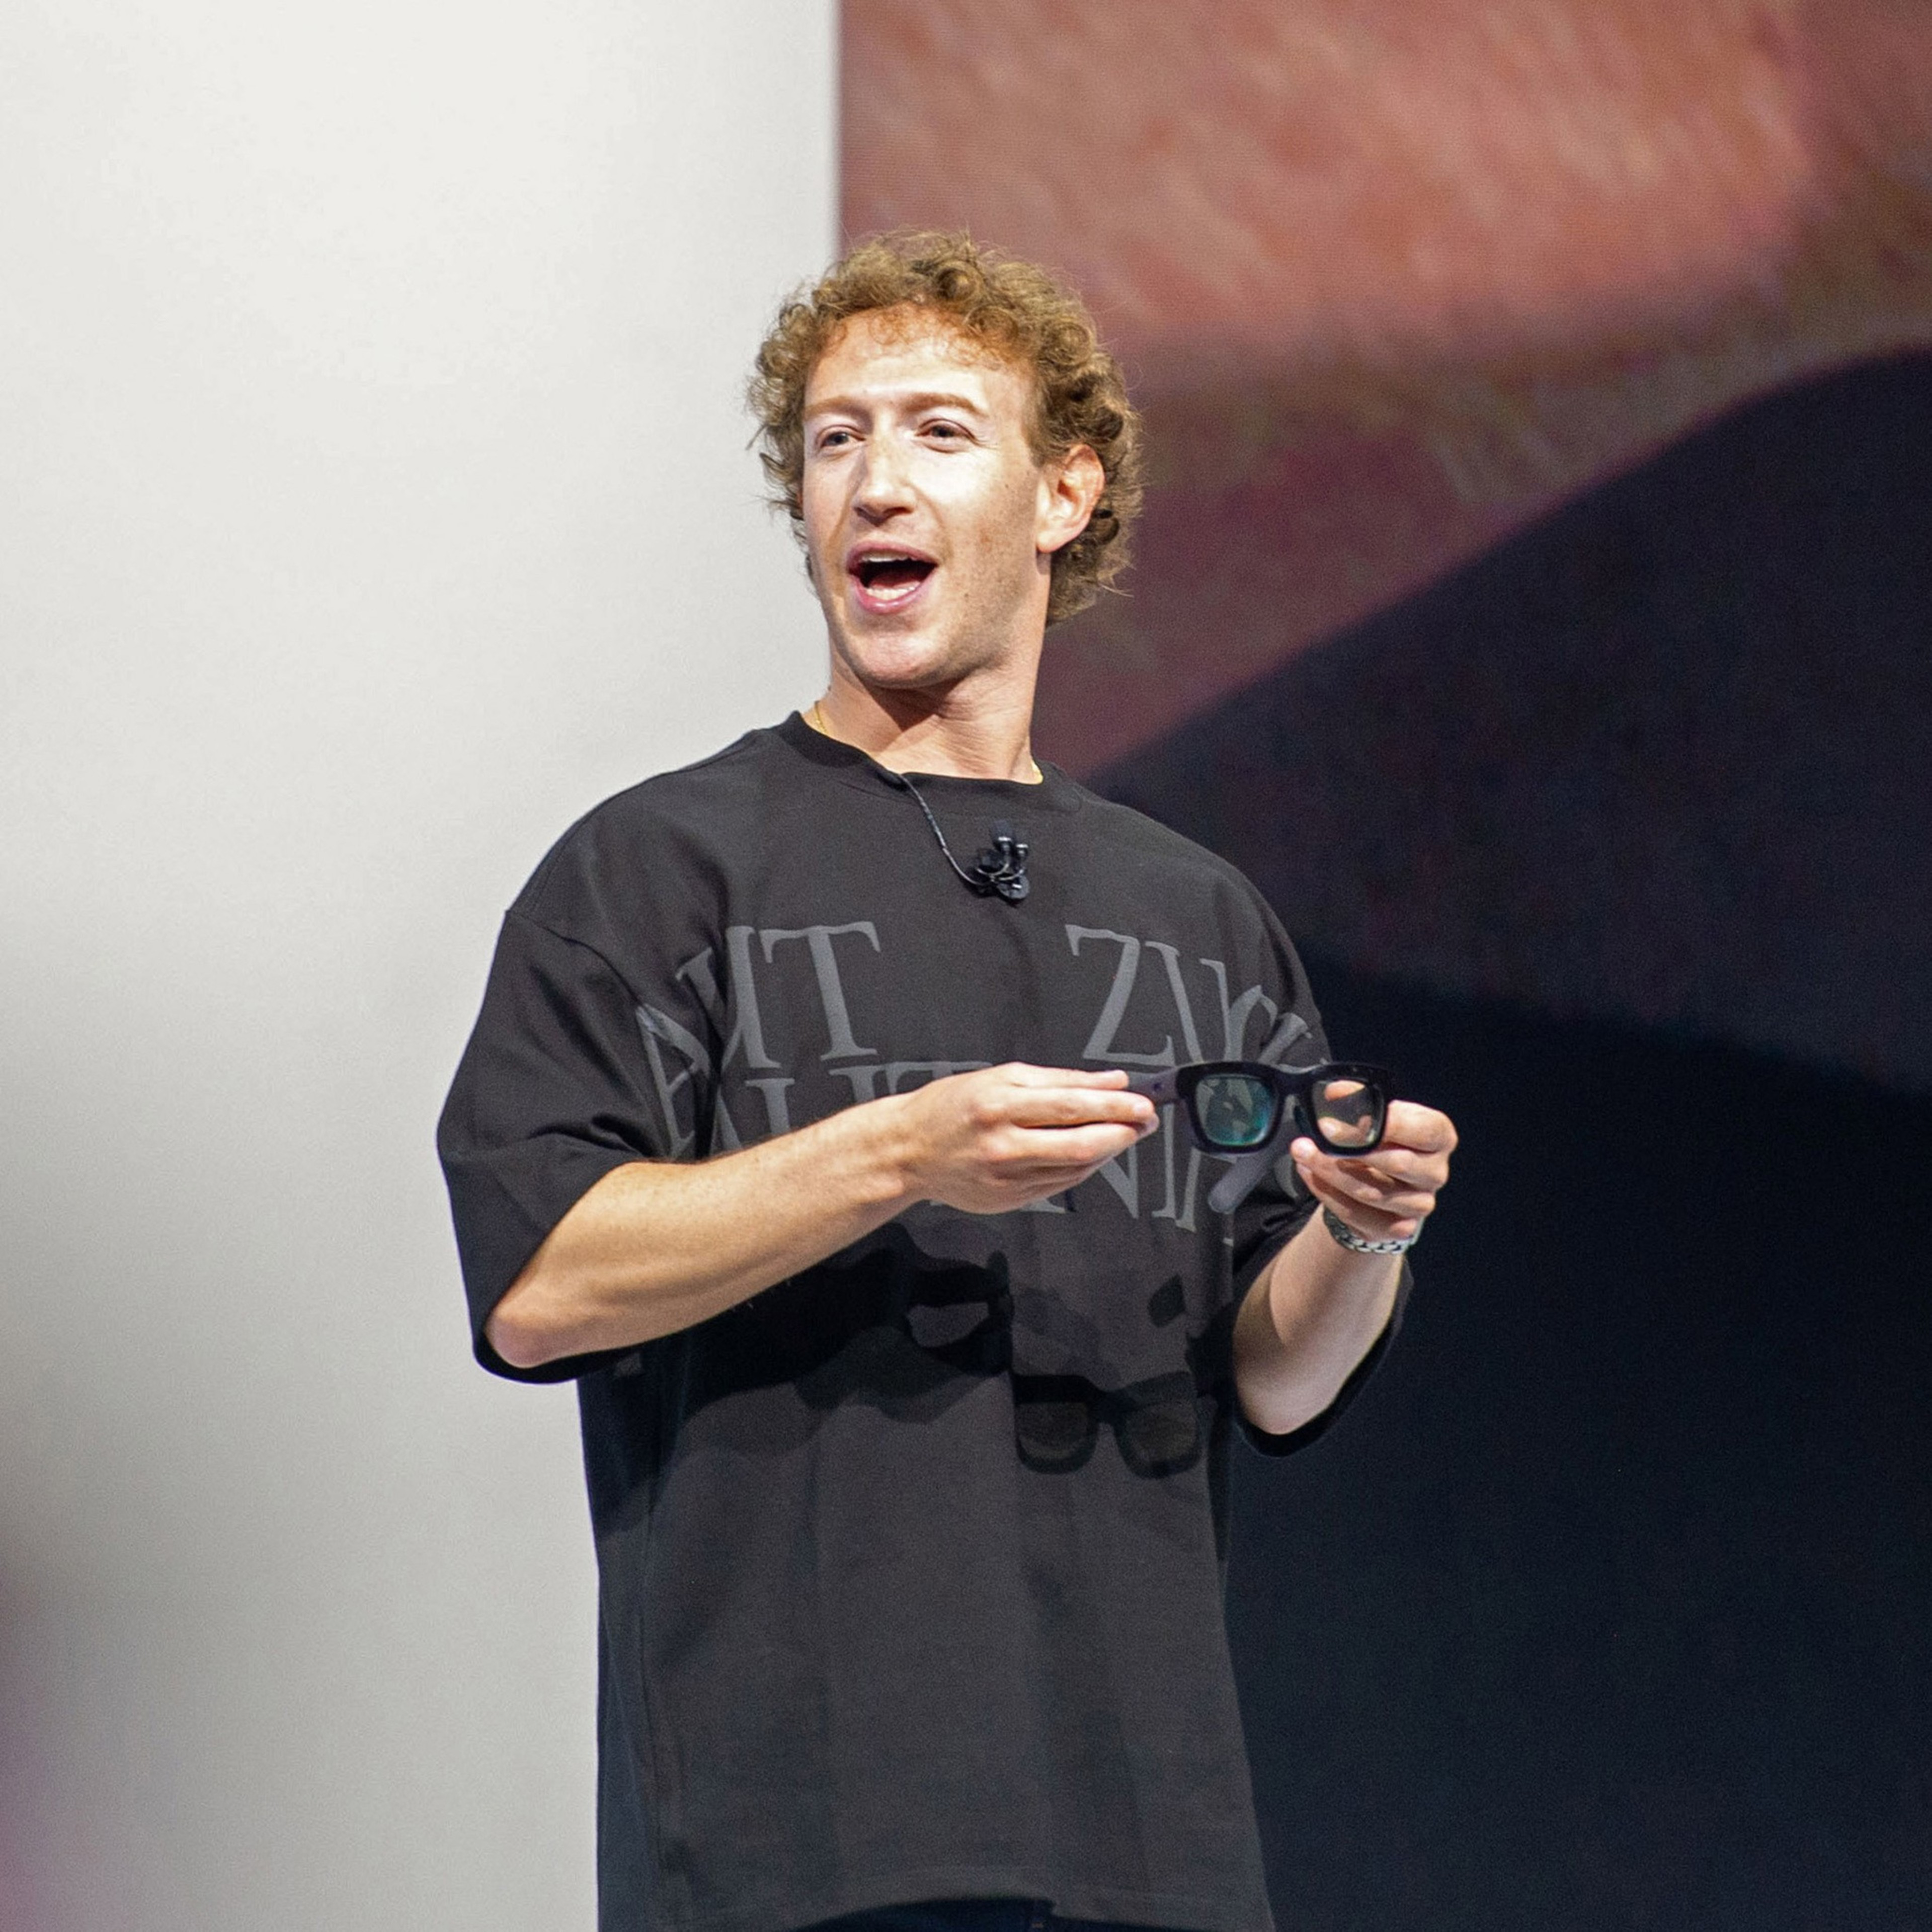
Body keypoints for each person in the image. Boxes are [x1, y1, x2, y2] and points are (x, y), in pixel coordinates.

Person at [438, 232, 1458, 1932]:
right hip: (797, 1848)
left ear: (1065, 494)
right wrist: (900, 1150)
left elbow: (1276, 1382)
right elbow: (543, 1286)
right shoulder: (659, 870)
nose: (871, 484)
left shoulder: (1201, 914)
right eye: (835, 441)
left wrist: (1363, 1236)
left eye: (934, 433)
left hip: (1151, 1845)